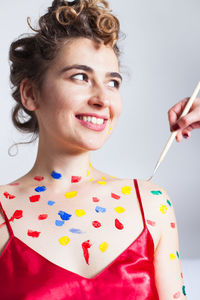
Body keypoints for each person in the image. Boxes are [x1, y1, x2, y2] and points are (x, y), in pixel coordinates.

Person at [0, 0, 188, 299]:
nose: (103, 98)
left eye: (112, 82)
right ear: (30, 93)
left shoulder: (152, 204)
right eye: (80, 77)